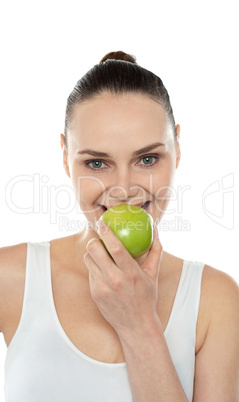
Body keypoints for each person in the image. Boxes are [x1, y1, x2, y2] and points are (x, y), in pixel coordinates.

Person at [0, 51, 238, 402]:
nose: (124, 189)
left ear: (178, 148)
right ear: (66, 156)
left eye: (147, 159)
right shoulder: (10, 277)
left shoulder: (217, 300)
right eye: (97, 162)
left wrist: (139, 325)